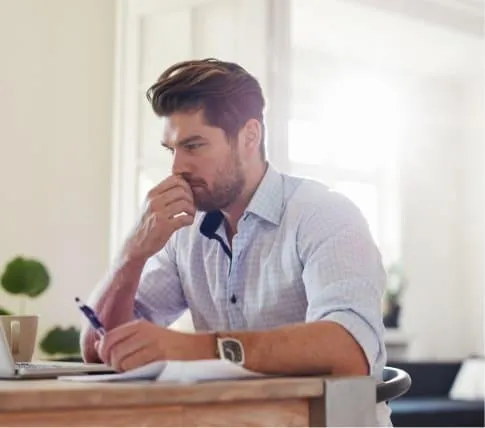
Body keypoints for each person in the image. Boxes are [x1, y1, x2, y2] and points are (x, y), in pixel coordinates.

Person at [81, 58, 390, 424]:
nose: (177, 167)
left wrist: (195, 349)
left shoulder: (324, 214)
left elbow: (349, 349)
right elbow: (99, 347)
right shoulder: (186, 235)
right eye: (172, 149)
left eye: (194, 146)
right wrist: (132, 254)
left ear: (249, 136)